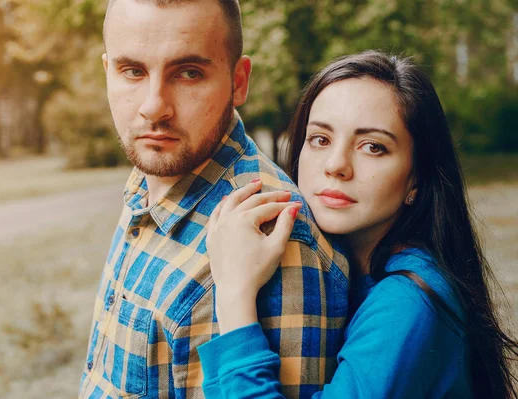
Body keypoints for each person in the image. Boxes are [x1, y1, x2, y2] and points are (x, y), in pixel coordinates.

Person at [198, 51, 518, 398]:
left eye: (372, 147)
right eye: (320, 139)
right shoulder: (333, 268)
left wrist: (234, 297)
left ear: (416, 179)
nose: (336, 165)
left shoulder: (408, 302)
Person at [78, 1, 349, 398]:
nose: (153, 107)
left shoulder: (276, 236)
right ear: (108, 72)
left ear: (239, 82)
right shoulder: (149, 175)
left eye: (189, 73)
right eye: (132, 71)